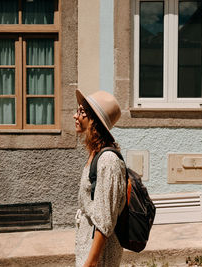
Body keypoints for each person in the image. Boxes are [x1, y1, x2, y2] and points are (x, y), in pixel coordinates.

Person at [73, 89, 127, 267]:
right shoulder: (95, 155)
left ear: (94, 120)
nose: (75, 115)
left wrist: (92, 262)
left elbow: (105, 220)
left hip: (99, 255)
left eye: (81, 111)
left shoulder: (108, 161)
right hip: (87, 245)